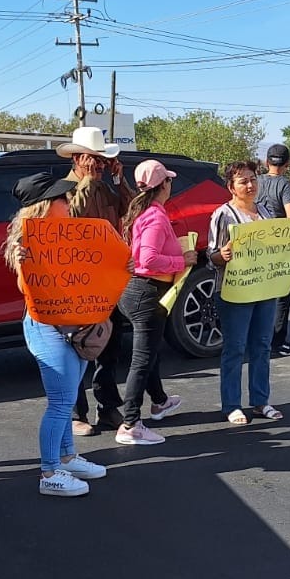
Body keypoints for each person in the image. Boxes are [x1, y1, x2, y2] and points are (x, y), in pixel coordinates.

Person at [4, 172, 110, 498]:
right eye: (62, 198)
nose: (68, 202)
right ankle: (49, 472)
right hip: (47, 327)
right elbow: (25, 288)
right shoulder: (27, 242)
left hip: (75, 326)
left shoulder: (68, 234)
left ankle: (66, 457)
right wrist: (23, 264)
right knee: (61, 401)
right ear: (44, 205)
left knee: (67, 396)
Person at [58, 128, 132, 436]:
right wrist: (87, 181)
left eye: (103, 160)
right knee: (77, 346)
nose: (100, 165)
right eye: (94, 159)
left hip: (107, 279)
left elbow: (129, 211)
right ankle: (76, 412)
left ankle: (108, 406)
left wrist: (119, 180)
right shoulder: (63, 189)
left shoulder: (105, 188)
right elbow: (71, 220)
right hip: (77, 280)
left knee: (109, 344)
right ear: (78, 158)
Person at [116, 159, 187, 447]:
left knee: (150, 351)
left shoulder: (143, 212)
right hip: (147, 293)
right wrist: (182, 260)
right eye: (169, 180)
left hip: (137, 292)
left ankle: (159, 401)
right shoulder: (155, 216)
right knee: (142, 360)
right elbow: (147, 260)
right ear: (163, 185)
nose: (171, 184)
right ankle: (130, 423)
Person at [208, 160, 282, 424]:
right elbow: (211, 256)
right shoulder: (223, 215)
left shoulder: (265, 212)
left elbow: (278, 247)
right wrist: (222, 255)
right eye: (243, 181)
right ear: (231, 187)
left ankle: (261, 401)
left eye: (252, 179)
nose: (250, 185)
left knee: (262, 346)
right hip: (234, 292)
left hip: (264, 288)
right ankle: (231, 404)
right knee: (235, 348)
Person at [257, 143, 290, 356]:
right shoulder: (285, 184)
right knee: (282, 295)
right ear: (288, 164)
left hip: (256, 245)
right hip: (278, 247)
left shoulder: (255, 182)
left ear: (267, 162)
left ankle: (258, 338)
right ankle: (278, 341)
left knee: (258, 294)